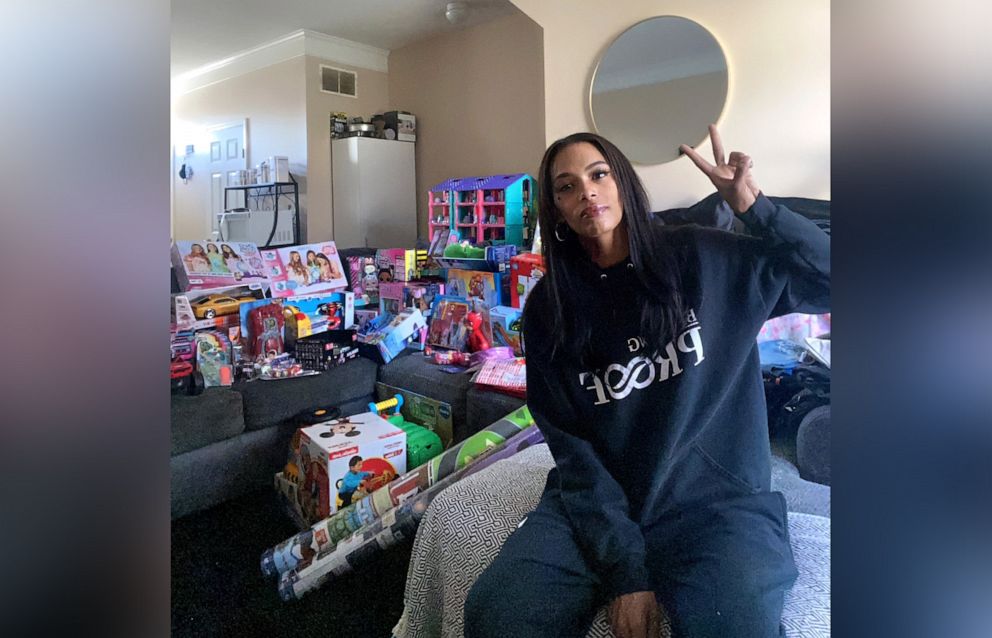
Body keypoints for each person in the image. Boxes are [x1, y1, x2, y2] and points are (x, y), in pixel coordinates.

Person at [463, 126, 829, 638]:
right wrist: (626, 570)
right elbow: (572, 450)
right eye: (566, 187)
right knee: (496, 614)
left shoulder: (707, 258)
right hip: (603, 506)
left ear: (623, 183)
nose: (586, 191)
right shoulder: (550, 308)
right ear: (557, 211)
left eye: (598, 174)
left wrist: (753, 205)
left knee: (735, 625)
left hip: (716, 507)